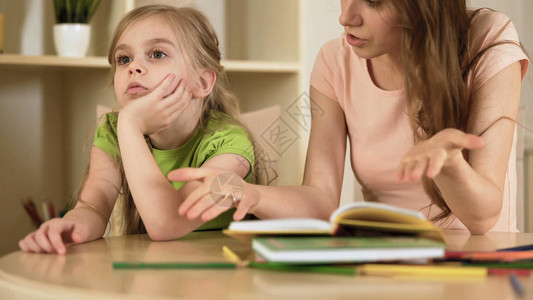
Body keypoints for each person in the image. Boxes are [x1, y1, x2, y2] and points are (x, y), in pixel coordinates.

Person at [172, 0, 529, 234]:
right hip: (385, 264)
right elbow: (320, 198)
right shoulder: (334, 61)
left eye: (373, 1)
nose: (346, 17)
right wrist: (249, 193)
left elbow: (483, 217)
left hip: (478, 266)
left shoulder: (488, 39)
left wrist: (448, 164)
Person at [19, 5, 261, 254]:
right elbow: (93, 207)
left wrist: (130, 125)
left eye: (157, 54)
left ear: (201, 82)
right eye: (124, 59)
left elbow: (167, 223)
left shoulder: (230, 142)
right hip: (152, 269)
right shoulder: (115, 132)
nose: (133, 67)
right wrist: (72, 226)